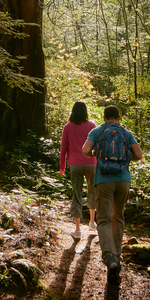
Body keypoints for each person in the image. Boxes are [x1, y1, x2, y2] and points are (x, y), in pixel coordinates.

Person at [82, 105, 142, 281]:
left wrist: (97, 153)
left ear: (104, 117)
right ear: (119, 117)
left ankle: (110, 259)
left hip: (104, 180)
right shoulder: (126, 132)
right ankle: (118, 255)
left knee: (104, 219)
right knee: (118, 218)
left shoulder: (98, 131)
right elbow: (138, 154)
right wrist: (127, 159)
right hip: (123, 180)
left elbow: (85, 151)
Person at [59, 101, 98, 241]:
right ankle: (92, 223)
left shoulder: (67, 127)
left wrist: (62, 166)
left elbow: (63, 148)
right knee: (92, 191)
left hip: (75, 164)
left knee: (77, 194)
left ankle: (77, 230)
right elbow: (97, 145)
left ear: (73, 111)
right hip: (91, 163)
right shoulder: (92, 126)